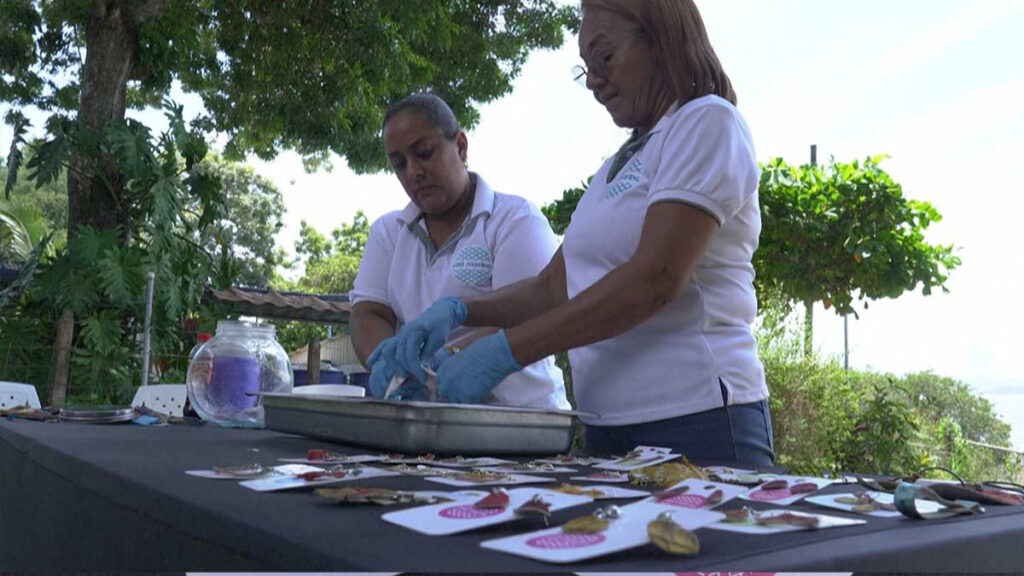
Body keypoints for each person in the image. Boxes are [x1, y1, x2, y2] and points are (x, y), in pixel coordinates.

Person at [371, 0, 774, 467]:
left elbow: (655, 279)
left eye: (604, 58)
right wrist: (459, 314)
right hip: (606, 427)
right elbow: (553, 287)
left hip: (697, 420)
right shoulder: (611, 171)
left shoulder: (706, 122)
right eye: (586, 69)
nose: (596, 80)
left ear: (661, 38)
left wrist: (506, 351)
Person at [350, 92, 569, 410]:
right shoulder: (388, 233)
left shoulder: (515, 220)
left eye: (424, 153)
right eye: (399, 164)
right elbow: (368, 312)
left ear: (461, 147)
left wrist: (446, 358)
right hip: (425, 424)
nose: (413, 172)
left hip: (522, 421)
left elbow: (529, 313)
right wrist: (395, 364)